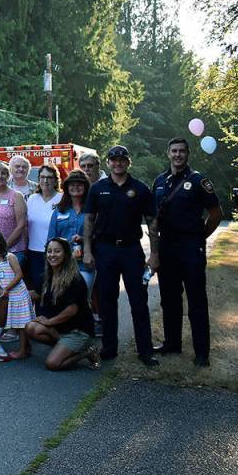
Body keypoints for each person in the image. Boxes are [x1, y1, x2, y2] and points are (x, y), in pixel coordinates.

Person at [83, 145, 159, 366]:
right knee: (107, 301)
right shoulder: (97, 189)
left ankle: (145, 350)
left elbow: (153, 222)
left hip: (131, 250)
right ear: (108, 163)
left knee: (139, 301)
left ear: (128, 162)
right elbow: (89, 220)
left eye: (122, 160)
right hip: (104, 250)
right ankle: (109, 347)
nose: (118, 163)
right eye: (114, 160)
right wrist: (87, 250)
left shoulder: (140, 188)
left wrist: (155, 255)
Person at [151, 137, 222, 367]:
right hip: (167, 247)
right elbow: (154, 217)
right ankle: (172, 343)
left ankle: (202, 353)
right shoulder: (160, 181)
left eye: (182, 151)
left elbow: (216, 213)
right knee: (169, 300)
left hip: (191, 246)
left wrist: (201, 237)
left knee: (197, 302)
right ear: (167, 153)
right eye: (174, 151)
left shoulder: (199, 180)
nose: (178, 155)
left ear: (188, 154)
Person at [25, 238, 100, 371]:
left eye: (57, 251)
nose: (52, 255)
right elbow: (35, 294)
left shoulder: (74, 278)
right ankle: (64, 347)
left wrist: (48, 322)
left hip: (77, 330)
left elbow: (71, 310)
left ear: (66, 254)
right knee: (31, 327)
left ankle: (87, 351)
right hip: (60, 328)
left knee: (52, 364)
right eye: (49, 251)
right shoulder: (46, 276)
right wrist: (11, 291)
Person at [48, 170, 98, 335]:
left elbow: (100, 235)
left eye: (79, 184)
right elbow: (50, 239)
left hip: (85, 264)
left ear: (86, 186)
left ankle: (84, 333)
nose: (75, 187)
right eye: (72, 184)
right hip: (62, 265)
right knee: (63, 299)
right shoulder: (59, 211)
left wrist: (84, 240)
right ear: (67, 188)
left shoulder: (93, 210)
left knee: (82, 298)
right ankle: (67, 332)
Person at [0, 230, 35, 361]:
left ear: (0, 242)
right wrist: (1, 290)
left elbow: (19, 275)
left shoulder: (10, 257)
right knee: (17, 323)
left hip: (19, 294)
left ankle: (23, 351)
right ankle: (26, 347)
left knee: (22, 324)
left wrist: (7, 288)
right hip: (10, 296)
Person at [25, 164, 62, 299]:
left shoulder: (62, 199)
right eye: (42, 177)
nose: (45, 181)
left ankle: (53, 318)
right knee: (37, 289)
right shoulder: (32, 199)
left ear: (55, 180)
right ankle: (39, 318)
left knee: (53, 289)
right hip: (34, 252)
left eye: (49, 177)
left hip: (55, 252)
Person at [0, 161, 28, 264]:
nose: (0, 176)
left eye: (3, 173)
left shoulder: (16, 196)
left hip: (13, 251)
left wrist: (4, 247)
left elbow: (21, 225)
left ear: (8, 176)